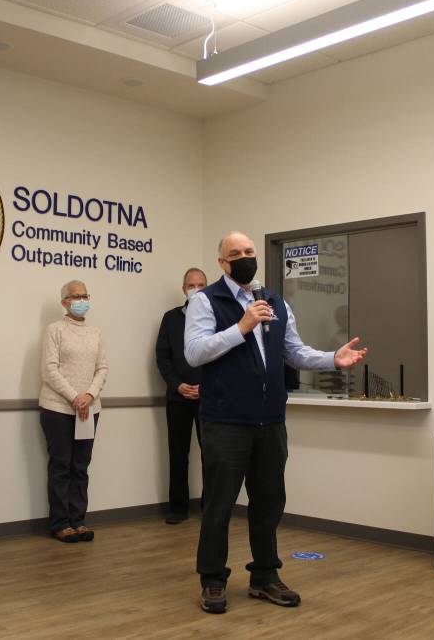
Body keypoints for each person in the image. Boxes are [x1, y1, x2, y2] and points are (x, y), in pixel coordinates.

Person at [185, 231, 367, 615]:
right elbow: (195, 352)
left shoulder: (275, 301)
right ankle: (213, 579)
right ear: (222, 263)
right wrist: (242, 326)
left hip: (270, 423)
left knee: (269, 503)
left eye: (250, 251)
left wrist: (332, 359)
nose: (246, 257)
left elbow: (294, 351)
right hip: (225, 423)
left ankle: (265, 576)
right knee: (219, 504)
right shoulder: (206, 300)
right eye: (236, 253)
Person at [38, 280, 108, 543]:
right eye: (76, 296)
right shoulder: (54, 330)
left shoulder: (96, 332)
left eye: (85, 295)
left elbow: (102, 368)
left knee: (81, 466)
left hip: (90, 409)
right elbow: (50, 369)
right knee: (61, 466)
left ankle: (78, 521)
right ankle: (60, 523)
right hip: (58, 409)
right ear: (64, 302)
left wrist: (88, 395)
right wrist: (74, 396)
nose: (81, 299)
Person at [155, 267, 207, 524]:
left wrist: (205, 386)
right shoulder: (171, 318)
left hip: (210, 398)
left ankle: (212, 508)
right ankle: (178, 508)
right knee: (178, 454)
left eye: (200, 285)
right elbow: (162, 357)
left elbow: (224, 355)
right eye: (191, 285)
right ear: (183, 288)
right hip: (178, 398)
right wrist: (178, 385)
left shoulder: (217, 318)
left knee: (213, 455)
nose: (195, 289)